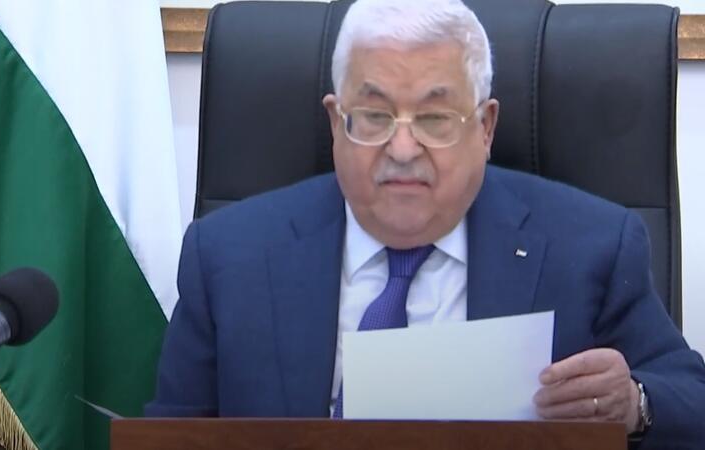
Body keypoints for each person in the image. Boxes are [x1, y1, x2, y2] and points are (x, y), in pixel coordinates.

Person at [146, 0, 705, 447]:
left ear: (485, 128)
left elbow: (691, 402)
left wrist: (635, 404)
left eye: (436, 118)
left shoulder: (590, 247)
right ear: (336, 123)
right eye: (374, 116)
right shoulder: (228, 255)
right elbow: (171, 436)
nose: (403, 148)